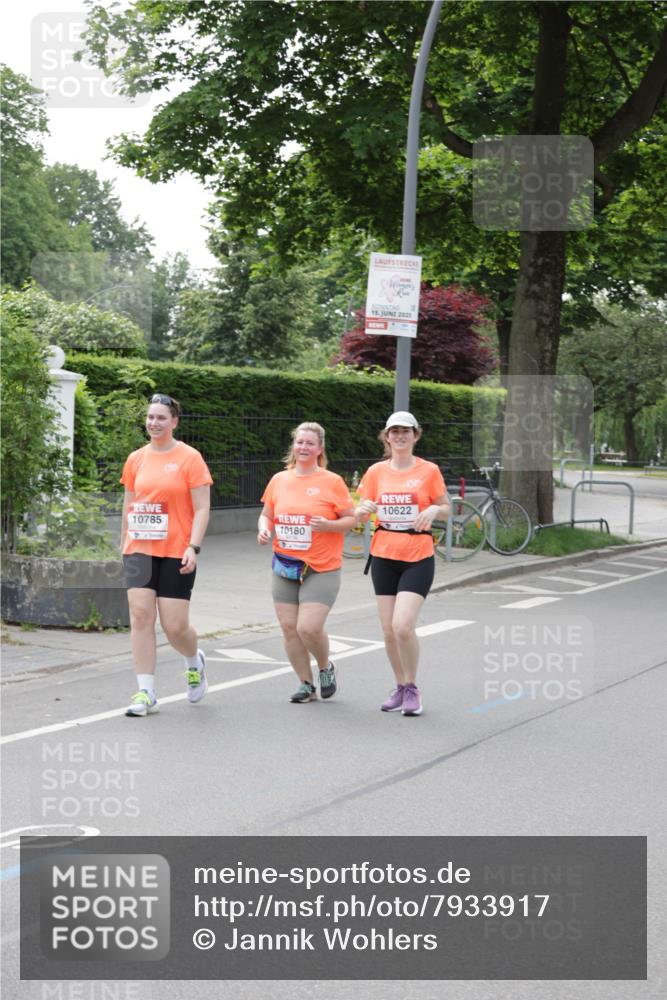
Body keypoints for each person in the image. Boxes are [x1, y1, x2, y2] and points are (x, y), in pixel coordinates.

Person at [120, 393, 213, 717]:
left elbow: (202, 508)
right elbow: (130, 503)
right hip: (140, 549)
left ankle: (193, 660)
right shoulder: (136, 459)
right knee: (141, 617)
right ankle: (145, 691)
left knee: (175, 627)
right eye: (150, 417)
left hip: (176, 550)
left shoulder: (189, 458)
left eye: (161, 418)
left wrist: (193, 546)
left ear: (174, 422)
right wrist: (124, 542)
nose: (154, 423)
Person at [355, 411, 450, 716]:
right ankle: (399, 686)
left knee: (402, 626)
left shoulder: (429, 470)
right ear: (386, 436)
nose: (399, 436)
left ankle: (412, 688)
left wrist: (434, 511)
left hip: (417, 555)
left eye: (405, 431)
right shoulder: (376, 472)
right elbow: (359, 511)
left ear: (415, 435)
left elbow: (447, 507)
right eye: (394, 431)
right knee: (387, 630)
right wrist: (363, 509)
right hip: (383, 554)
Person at [257, 422, 355, 703]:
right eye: (300, 442)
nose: (303, 447)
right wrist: (264, 528)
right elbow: (267, 514)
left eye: (310, 443)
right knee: (289, 627)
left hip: (321, 566)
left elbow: (350, 519)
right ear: (293, 445)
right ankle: (305, 684)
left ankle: (325, 667)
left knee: (308, 628)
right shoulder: (279, 480)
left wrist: (328, 525)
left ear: (319, 449)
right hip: (285, 564)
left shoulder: (331, 481)